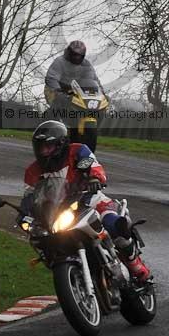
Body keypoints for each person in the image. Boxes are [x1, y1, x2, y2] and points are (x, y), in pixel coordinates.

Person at [19, 120, 151, 282]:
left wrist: (95, 178)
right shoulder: (32, 171)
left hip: (88, 198)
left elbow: (94, 166)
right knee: (43, 240)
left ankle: (136, 265)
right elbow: (29, 196)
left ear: (61, 144)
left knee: (112, 222)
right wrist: (23, 213)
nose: (44, 152)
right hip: (58, 211)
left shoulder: (78, 150)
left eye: (48, 147)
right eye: (40, 148)